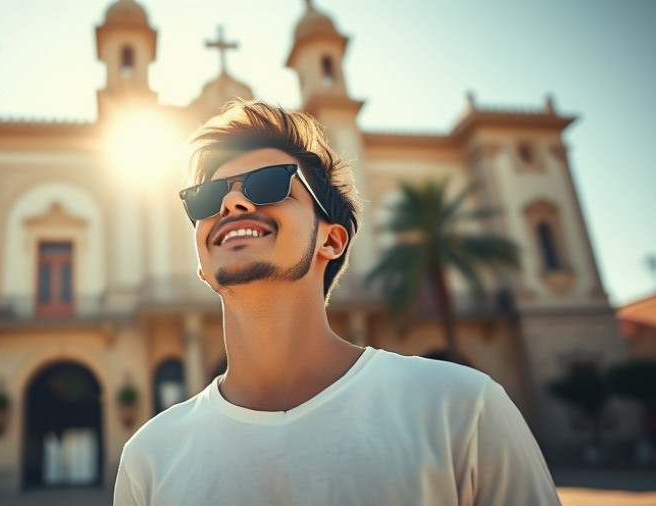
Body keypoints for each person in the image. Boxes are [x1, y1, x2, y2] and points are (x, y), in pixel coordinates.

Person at [113, 100, 560, 505]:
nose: (231, 202)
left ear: (331, 239)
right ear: (202, 264)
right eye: (207, 198)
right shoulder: (149, 459)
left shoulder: (462, 410)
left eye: (269, 184)